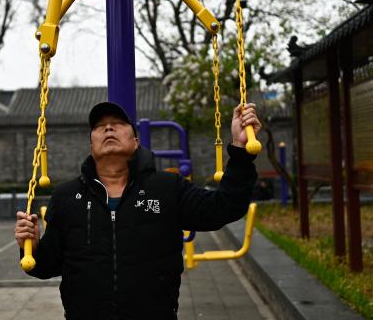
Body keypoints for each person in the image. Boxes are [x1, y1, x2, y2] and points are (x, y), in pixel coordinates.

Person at [15, 101, 261, 319]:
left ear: (136, 142)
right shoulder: (67, 196)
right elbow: (47, 266)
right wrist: (32, 247)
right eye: (100, 126)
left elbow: (223, 207)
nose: (108, 128)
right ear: (92, 146)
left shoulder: (167, 188)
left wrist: (240, 150)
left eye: (118, 123)